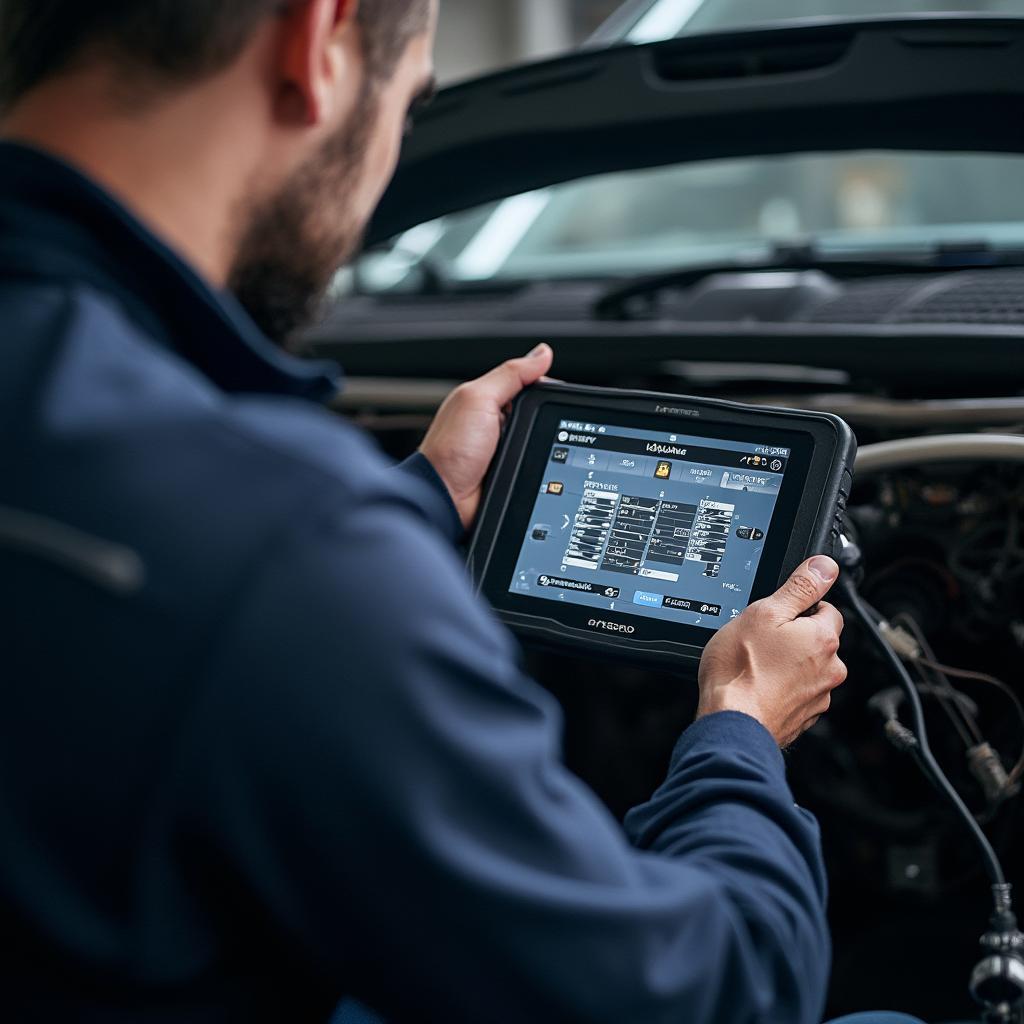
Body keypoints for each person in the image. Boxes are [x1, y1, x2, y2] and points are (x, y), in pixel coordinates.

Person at [0, 1, 922, 1022]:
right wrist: (740, 734)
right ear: (322, 39)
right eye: (411, 103)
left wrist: (419, 499)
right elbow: (712, 991)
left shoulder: (217, 511)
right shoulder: (288, 542)